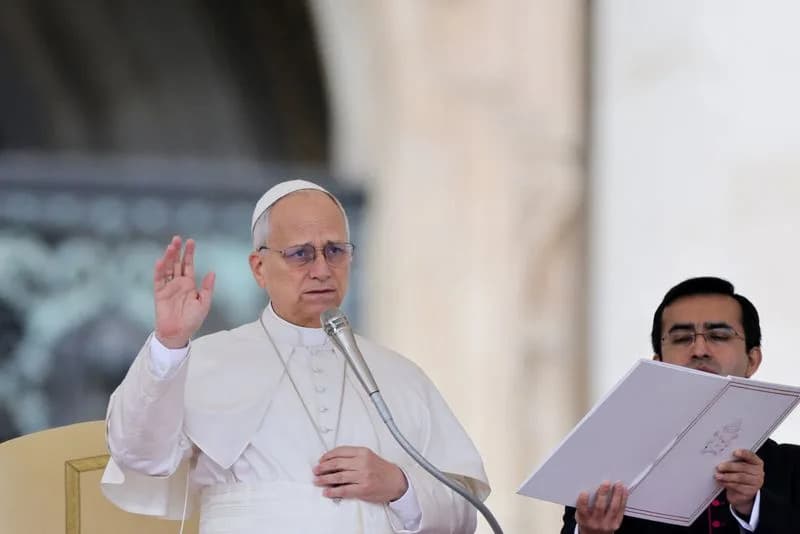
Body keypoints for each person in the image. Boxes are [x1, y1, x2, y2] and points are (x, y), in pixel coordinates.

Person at [101, 179, 489, 533]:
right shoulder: (205, 361)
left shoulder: (400, 375)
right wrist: (169, 342)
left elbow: (464, 515)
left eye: (335, 251)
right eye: (301, 254)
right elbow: (139, 455)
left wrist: (400, 486)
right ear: (259, 268)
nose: (322, 269)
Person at [561, 276, 800, 534]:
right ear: (659, 364)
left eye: (718, 336)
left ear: (752, 360)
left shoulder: (793, 467)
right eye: (681, 338)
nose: (699, 349)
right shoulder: (606, 472)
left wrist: (754, 506)